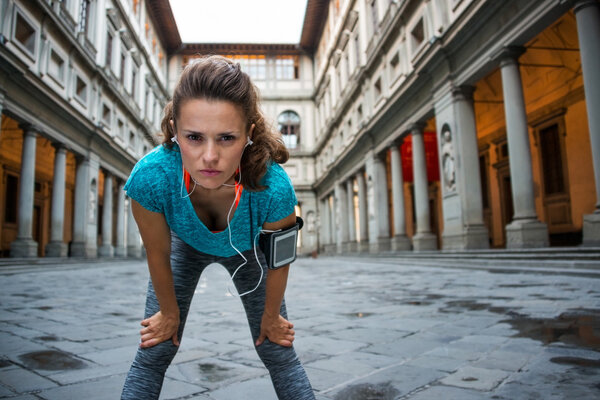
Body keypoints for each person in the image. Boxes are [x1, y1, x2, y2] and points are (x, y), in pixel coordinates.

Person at [121, 55, 315, 400]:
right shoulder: (151, 177)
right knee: (155, 349)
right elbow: (158, 252)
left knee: (277, 349)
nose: (209, 156)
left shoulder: (275, 187)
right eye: (194, 137)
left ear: (249, 135)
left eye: (226, 138)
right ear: (174, 130)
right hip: (184, 245)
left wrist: (271, 316)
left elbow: (280, 260)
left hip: (249, 250)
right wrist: (168, 312)